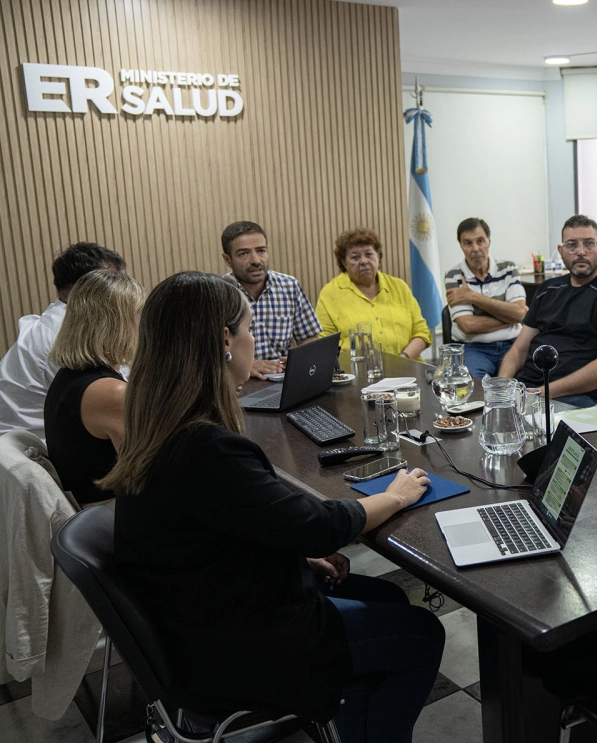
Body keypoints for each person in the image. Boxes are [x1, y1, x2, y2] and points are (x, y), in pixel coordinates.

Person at [100, 272, 444, 743]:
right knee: (423, 634)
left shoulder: (158, 426)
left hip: (199, 619)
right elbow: (318, 526)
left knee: (390, 599)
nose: (253, 340)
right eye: (248, 329)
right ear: (225, 341)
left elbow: (219, 527)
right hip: (242, 644)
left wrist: (294, 555)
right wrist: (395, 496)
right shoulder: (206, 448)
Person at [498, 215, 597, 408]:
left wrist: (540, 394)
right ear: (561, 251)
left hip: (582, 398)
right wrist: (502, 390)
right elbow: (518, 351)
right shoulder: (547, 289)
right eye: (572, 245)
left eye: (589, 243)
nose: (581, 252)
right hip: (531, 392)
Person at [0, 242, 125, 443]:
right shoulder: (69, 336)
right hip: (38, 452)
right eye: (115, 283)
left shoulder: (51, 323)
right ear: (89, 288)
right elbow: (121, 399)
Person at [44, 270, 144, 506]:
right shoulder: (109, 392)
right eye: (140, 313)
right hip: (109, 514)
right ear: (119, 324)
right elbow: (147, 475)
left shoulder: (69, 376)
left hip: (95, 511)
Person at [220, 221, 321, 379]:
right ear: (228, 260)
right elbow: (204, 355)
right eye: (243, 254)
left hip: (282, 379)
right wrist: (244, 365)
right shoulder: (219, 294)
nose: (256, 260)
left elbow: (309, 338)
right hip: (237, 383)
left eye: (261, 251)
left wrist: (300, 359)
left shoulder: (289, 286)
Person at [316, 228, 432, 359]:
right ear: (344, 262)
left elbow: (422, 332)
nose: (364, 261)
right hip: (356, 369)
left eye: (369, 254)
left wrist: (403, 359)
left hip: (407, 366)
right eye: (355, 257)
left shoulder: (399, 287)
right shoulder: (330, 294)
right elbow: (324, 344)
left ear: (378, 256)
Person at [443, 218, 527, 379]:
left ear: (489, 241)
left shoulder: (508, 269)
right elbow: (467, 325)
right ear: (461, 246)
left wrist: (472, 296)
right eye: (468, 243)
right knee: (473, 386)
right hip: (474, 347)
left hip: (512, 343)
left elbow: (519, 313)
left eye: (480, 241)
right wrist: (511, 318)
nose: (475, 249)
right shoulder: (453, 275)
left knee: (532, 381)